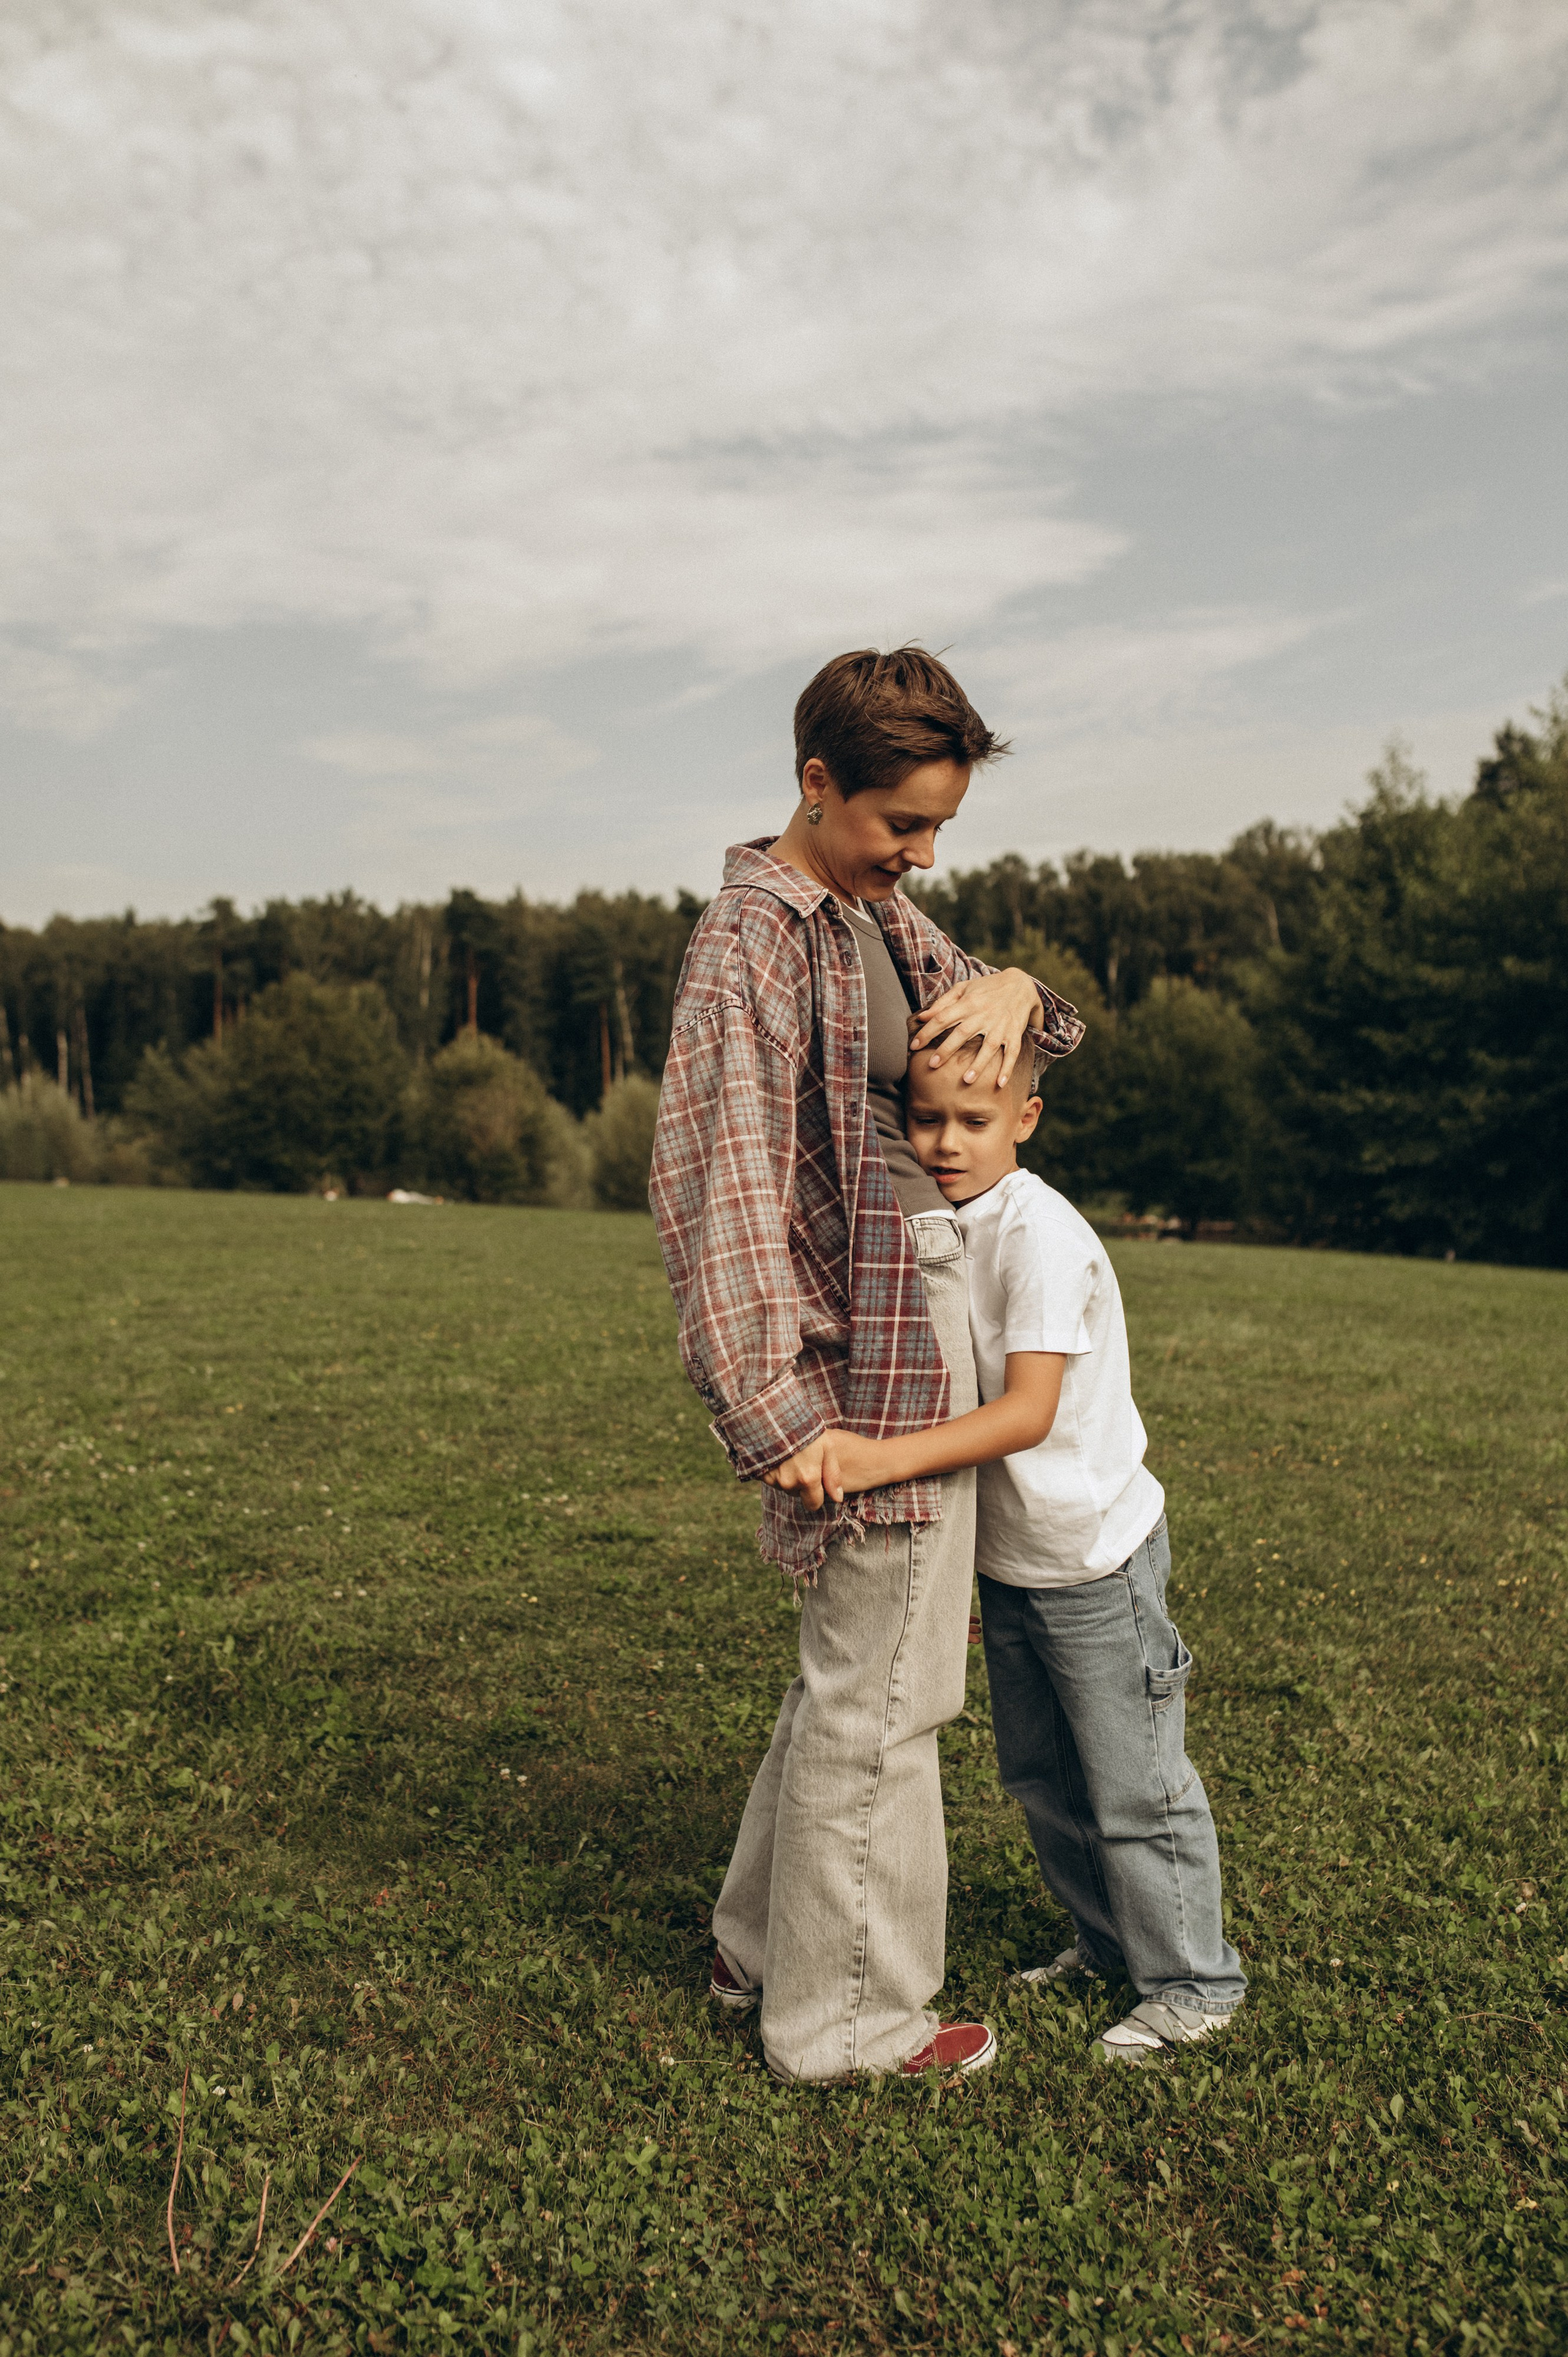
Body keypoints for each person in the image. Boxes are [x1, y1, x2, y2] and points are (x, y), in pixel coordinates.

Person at [649, 647, 1082, 2084]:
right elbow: (717, 1189)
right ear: (815, 781)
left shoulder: (873, 912)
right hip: (866, 1344)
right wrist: (775, 1413)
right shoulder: (755, 943)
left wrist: (1013, 981)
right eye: (903, 822)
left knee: (855, 1665)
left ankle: (755, 1947)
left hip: (916, 1305)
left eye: (939, 826)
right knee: (886, 1690)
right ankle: (845, 2023)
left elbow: (1015, 1039)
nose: (922, 854)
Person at [768, 1028, 1248, 2064]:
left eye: (974, 1121)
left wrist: (878, 1460)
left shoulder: (1040, 1234)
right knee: (1043, 1778)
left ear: (1026, 1119)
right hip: (1016, 1566)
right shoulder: (945, 1224)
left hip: (1095, 1561)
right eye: (926, 1119)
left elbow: (1026, 1414)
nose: (946, 1143)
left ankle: (1195, 1983)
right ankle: (1108, 1942)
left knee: (1135, 1784)